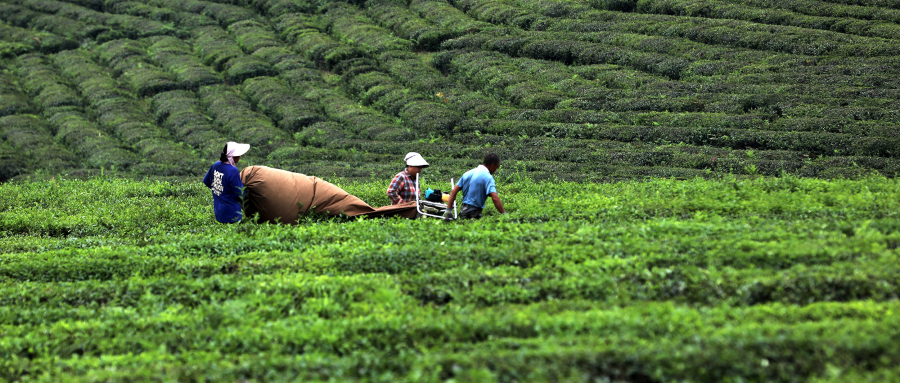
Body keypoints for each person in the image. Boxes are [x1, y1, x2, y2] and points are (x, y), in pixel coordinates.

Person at [445, 153, 506, 219]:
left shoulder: (467, 173)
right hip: (474, 212)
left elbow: (454, 191)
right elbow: (495, 198)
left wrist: (448, 209)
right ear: (492, 165)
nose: (495, 170)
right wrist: (504, 214)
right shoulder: (488, 177)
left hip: (463, 211)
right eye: (496, 168)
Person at [202, 142, 250, 223]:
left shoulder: (215, 165)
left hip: (219, 211)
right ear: (232, 156)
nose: (240, 156)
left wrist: (219, 191)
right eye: (238, 154)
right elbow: (240, 194)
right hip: (232, 213)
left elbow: (206, 181)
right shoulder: (233, 170)